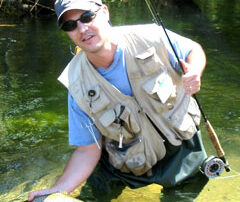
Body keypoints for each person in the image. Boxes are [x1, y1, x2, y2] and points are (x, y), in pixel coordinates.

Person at [28, 0, 207, 201]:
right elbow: (87, 150)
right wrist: (58, 189)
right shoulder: (76, 83)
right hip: (124, 161)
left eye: (87, 17)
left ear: (104, 12)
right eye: (70, 25)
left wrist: (193, 71)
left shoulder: (151, 36)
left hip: (182, 153)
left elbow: (193, 50)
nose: (82, 28)